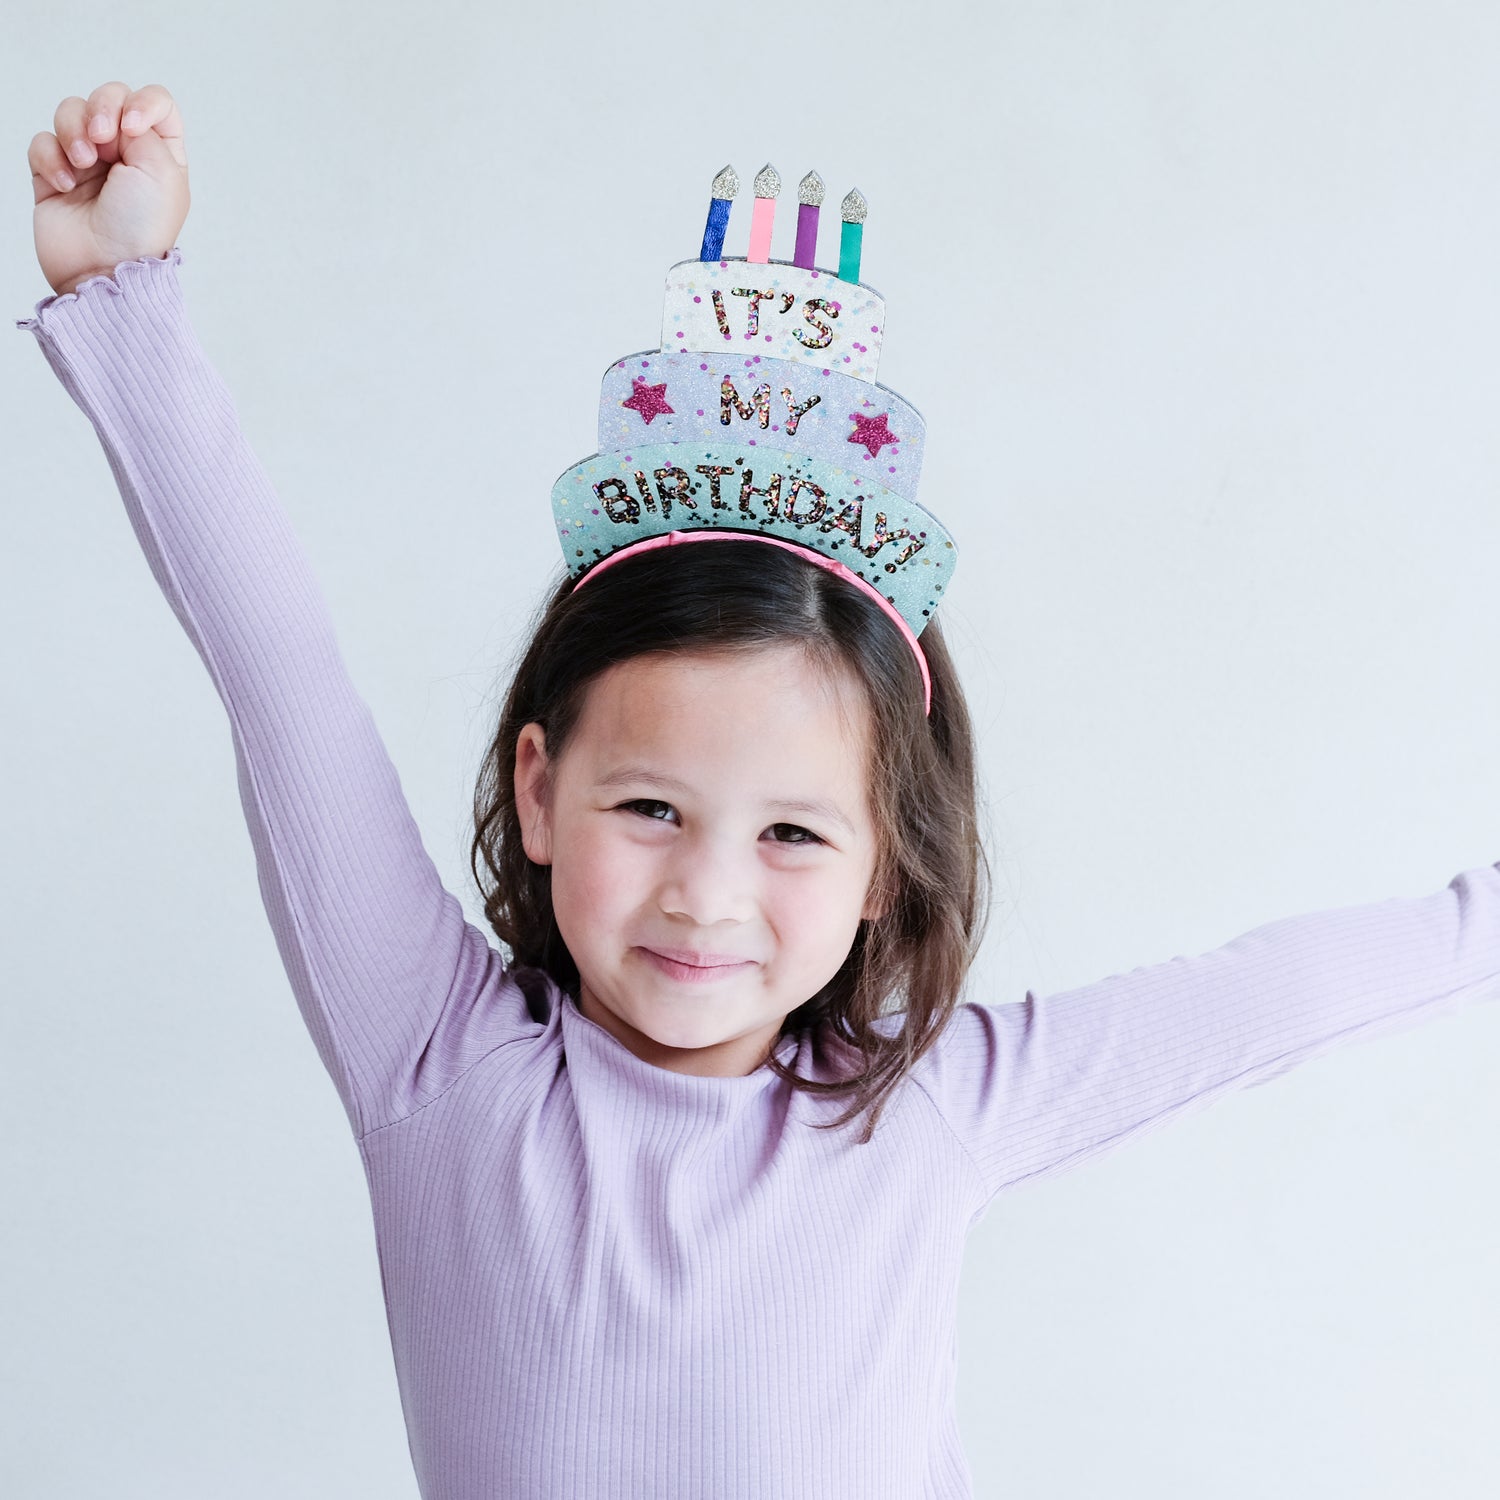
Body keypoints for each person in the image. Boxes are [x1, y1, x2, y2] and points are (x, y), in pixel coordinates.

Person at [19, 81, 1500, 1500]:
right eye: (649, 807)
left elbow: (1271, 994)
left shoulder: (932, 1108)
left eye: (793, 831)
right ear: (539, 790)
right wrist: (124, 304)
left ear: (886, 868)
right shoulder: (433, 1060)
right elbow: (277, 673)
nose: (707, 893)